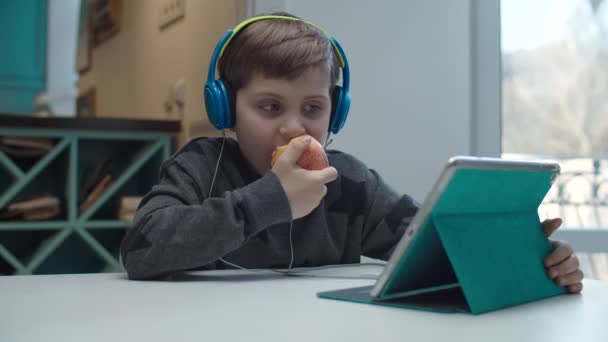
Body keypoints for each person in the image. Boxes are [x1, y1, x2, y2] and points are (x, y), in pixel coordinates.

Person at [119, 13, 584, 293]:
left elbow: (425, 246)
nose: (294, 126)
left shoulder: (350, 184)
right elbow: (140, 250)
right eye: (268, 106)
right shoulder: (201, 166)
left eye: (313, 108)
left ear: (336, 113)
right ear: (225, 107)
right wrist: (269, 200)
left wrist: (517, 256)